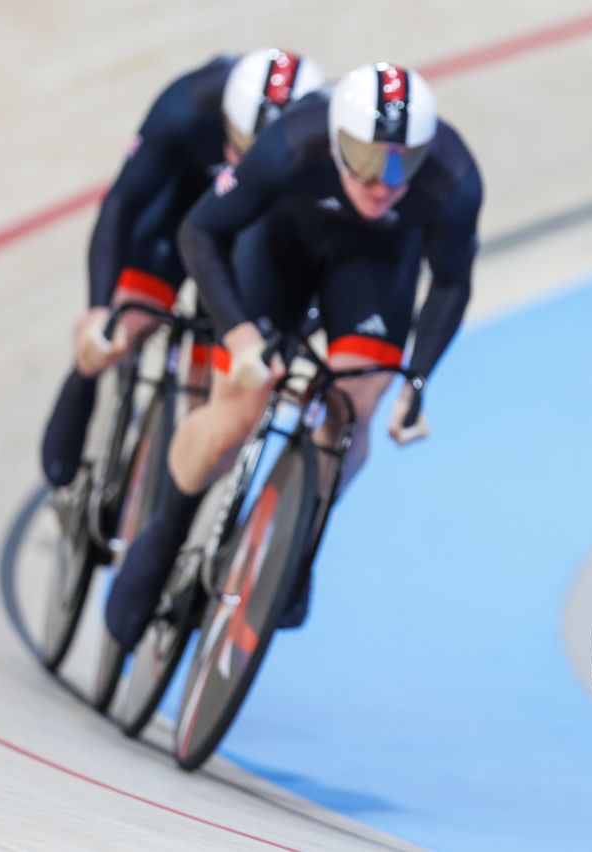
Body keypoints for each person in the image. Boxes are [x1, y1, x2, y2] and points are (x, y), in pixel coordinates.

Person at [104, 63, 483, 648]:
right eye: (363, 159)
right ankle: (167, 532)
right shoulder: (289, 144)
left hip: (374, 266)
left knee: (355, 406)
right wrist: (239, 334)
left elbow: (452, 284)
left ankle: (304, 535)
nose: (381, 182)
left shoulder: (454, 179)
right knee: (239, 404)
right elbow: (198, 232)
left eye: (401, 163)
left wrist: (417, 381)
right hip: (280, 243)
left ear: (425, 154)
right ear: (334, 142)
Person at [39, 49, 324, 488]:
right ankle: (84, 378)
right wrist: (99, 310)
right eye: (241, 144)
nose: (246, 161)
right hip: (176, 213)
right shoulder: (185, 107)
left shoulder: (320, 143)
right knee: (124, 328)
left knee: (220, 399)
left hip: (245, 234)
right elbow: (120, 206)